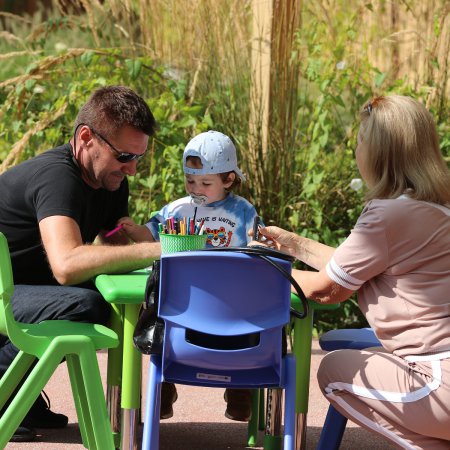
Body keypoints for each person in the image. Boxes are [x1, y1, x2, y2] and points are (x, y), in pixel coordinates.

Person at [255, 95, 450, 449]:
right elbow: (352, 265)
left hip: (439, 383)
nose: (356, 151)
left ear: (377, 153)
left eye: (360, 142)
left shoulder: (387, 215)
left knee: (334, 372)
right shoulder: (434, 208)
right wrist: (293, 246)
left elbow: (325, 290)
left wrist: (254, 266)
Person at [0, 85, 161, 442]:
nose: (132, 169)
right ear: (86, 138)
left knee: (115, 299)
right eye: (124, 156)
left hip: (26, 289)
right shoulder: (58, 178)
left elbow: (115, 242)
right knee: (86, 304)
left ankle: (22, 385)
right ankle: (6, 385)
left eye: (138, 158)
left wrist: (152, 246)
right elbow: (67, 264)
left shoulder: (110, 181)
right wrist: (156, 253)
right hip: (4, 295)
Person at [118, 130, 260, 422]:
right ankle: (164, 390)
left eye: (206, 183)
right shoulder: (178, 209)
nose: (196, 188)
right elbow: (152, 232)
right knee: (163, 325)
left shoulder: (243, 210)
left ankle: (240, 391)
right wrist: (135, 231)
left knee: (248, 331)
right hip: (185, 305)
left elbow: (256, 241)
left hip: (231, 303)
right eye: (190, 180)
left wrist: (261, 243)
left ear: (229, 179)